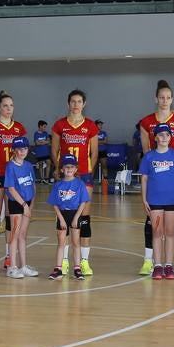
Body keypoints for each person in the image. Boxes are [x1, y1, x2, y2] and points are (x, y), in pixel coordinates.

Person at [138, 80, 174, 276]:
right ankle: (151, 262)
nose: (164, 100)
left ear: (172, 99)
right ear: (156, 99)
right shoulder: (146, 122)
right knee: (153, 226)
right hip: (155, 182)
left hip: (173, 179)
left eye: (168, 97)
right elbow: (146, 151)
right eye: (161, 97)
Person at [51, 90, 99, 275]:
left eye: (79, 101)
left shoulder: (90, 126)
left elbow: (94, 153)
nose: (76, 104)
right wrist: (59, 170)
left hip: (84, 175)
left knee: (83, 219)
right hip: (66, 176)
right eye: (73, 101)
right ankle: (63, 261)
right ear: (68, 103)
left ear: (84, 104)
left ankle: (84, 262)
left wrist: (88, 171)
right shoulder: (60, 125)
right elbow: (54, 150)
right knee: (64, 217)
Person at [0, 90, 28, 273]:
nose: (8, 109)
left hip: (14, 178)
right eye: (5, 106)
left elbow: (24, 152)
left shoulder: (19, 128)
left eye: (11, 106)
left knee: (11, 219)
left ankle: (9, 257)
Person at [138, 123, 174, 280]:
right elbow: (144, 179)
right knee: (157, 232)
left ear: (171, 137)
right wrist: (144, 199)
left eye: (167, 135)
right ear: (156, 137)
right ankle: (157, 265)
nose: (164, 137)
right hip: (154, 201)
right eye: (161, 135)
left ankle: (168, 265)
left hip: (172, 201)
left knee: (170, 233)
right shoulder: (149, 157)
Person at [47, 155, 91, 281]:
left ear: (76, 169)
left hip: (75, 214)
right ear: (62, 169)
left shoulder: (79, 184)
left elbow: (83, 202)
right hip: (62, 214)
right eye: (66, 167)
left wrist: (77, 217)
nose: (69, 169)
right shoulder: (58, 185)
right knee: (61, 242)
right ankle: (58, 269)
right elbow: (54, 203)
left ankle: (77, 269)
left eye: (72, 167)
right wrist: (60, 218)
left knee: (76, 242)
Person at [3, 136, 38, 279]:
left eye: (24, 148)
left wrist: (31, 204)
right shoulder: (10, 166)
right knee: (15, 235)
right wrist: (24, 205)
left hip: (27, 204)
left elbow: (33, 185)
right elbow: (11, 188)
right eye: (19, 149)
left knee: (23, 235)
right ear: (14, 151)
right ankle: (12, 267)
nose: (22, 151)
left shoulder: (29, 165)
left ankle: (23, 266)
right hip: (17, 203)